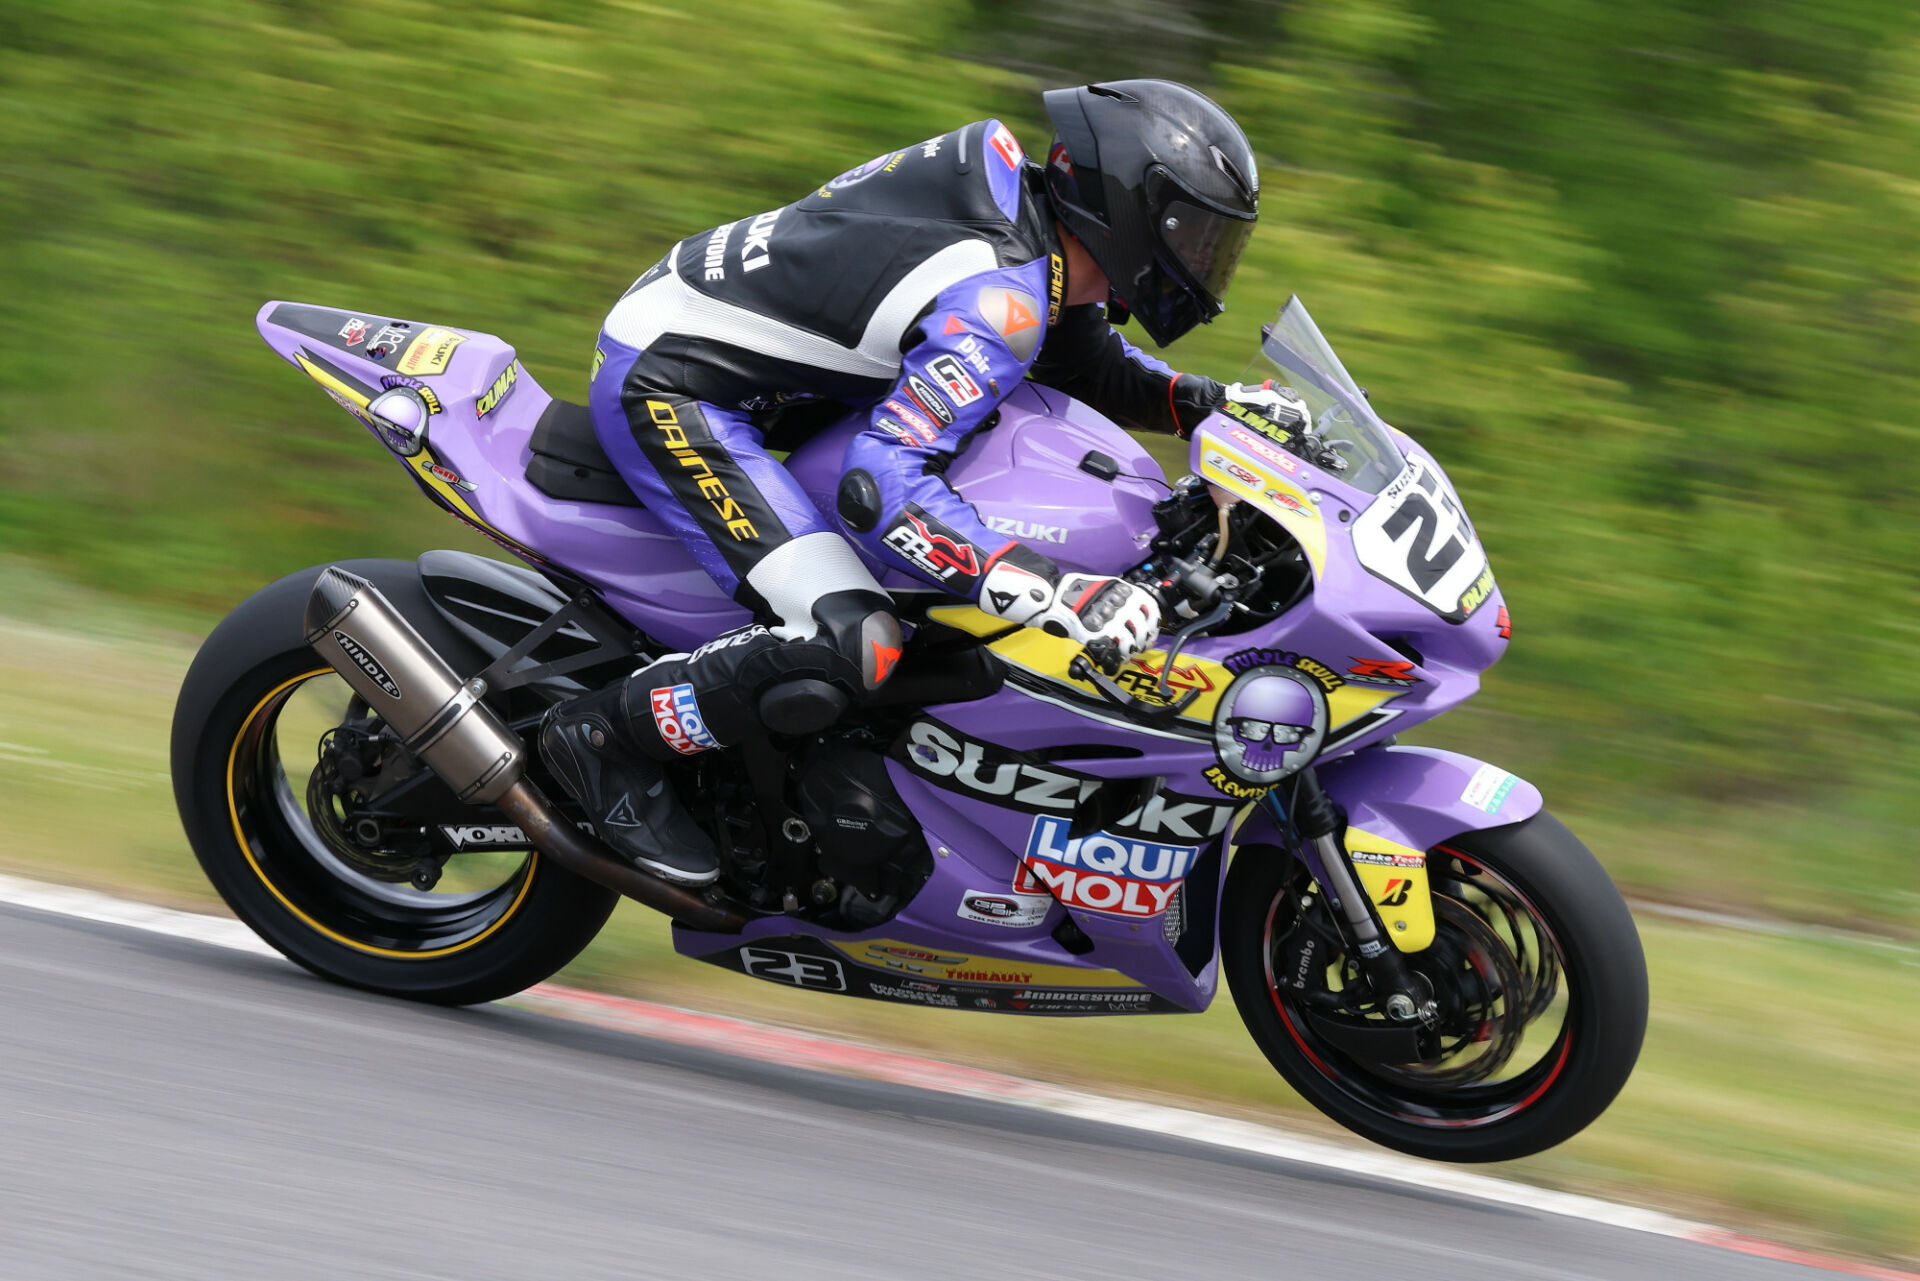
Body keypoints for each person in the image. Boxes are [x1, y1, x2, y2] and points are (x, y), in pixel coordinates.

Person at [541, 78, 1306, 886]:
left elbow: (1084, 361)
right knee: (851, 638)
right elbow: (880, 485)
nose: (1203, 261)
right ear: (1124, 203)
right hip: (676, 383)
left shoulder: (1040, 236)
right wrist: (1056, 591)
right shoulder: (999, 296)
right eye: (1191, 233)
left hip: (742, 357)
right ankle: (601, 739)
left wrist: (1215, 407)